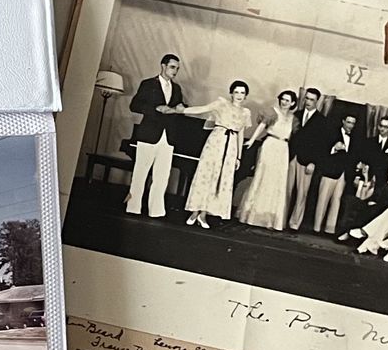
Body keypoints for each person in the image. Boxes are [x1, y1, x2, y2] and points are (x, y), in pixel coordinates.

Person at [181, 80, 255, 229]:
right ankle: (194, 211)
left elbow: (240, 133)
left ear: (245, 95)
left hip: (231, 147)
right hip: (216, 141)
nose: (239, 95)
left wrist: (238, 156)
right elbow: (202, 109)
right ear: (231, 93)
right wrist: (181, 110)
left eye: (242, 92)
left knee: (219, 179)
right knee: (205, 175)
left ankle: (203, 215)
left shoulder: (246, 113)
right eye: (236, 92)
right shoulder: (221, 103)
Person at [125, 54, 185, 219]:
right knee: (140, 173)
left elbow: (178, 107)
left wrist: (181, 107)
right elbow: (134, 105)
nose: (175, 71)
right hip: (148, 134)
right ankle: (133, 207)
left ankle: (156, 211)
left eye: (177, 68)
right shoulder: (148, 84)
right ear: (163, 66)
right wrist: (156, 109)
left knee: (162, 176)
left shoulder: (177, 89)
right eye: (173, 67)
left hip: (168, 138)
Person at [235, 90, 296, 230]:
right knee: (264, 178)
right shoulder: (272, 112)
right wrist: (251, 140)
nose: (284, 102)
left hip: (283, 149)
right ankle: (253, 215)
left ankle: (271, 218)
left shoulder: (293, 118)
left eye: (288, 100)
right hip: (270, 145)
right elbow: (262, 126)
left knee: (278, 181)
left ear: (293, 103)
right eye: (283, 99)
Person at [287, 88, 327, 231]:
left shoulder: (322, 121)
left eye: (312, 100)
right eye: (307, 99)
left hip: (307, 161)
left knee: (301, 194)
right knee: (286, 190)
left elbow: (322, 146)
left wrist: (313, 162)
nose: (308, 102)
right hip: (291, 157)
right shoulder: (295, 115)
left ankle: (294, 223)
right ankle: (281, 220)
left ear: (317, 102)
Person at [312, 113, 357, 235]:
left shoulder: (355, 138)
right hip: (330, 171)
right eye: (349, 122)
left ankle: (329, 229)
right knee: (323, 199)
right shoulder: (332, 133)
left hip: (344, 174)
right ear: (343, 121)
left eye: (353, 123)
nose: (351, 125)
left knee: (336, 201)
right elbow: (322, 151)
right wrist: (334, 149)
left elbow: (353, 157)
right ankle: (316, 228)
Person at [334, 161, 381, 234]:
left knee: (353, 203)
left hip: (364, 204)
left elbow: (362, 197)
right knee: (349, 201)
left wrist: (365, 178)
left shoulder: (371, 183)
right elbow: (357, 196)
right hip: (354, 201)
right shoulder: (357, 178)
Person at [358, 114, 388, 183]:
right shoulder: (369, 141)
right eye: (381, 126)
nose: (382, 129)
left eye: (385, 127)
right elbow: (362, 159)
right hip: (366, 177)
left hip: (381, 180)